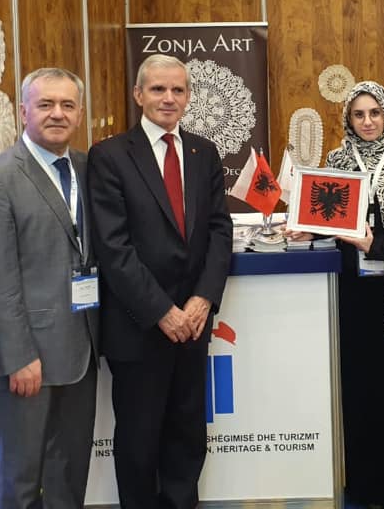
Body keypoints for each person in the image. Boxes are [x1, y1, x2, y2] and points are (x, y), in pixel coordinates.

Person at [88, 54, 232, 509]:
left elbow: (219, 230)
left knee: (187, 434)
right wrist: (162, 311)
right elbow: (114, 247)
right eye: (157, 89)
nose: (168, 98)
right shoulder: (109, 156)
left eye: (177, 90)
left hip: (193, 322)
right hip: (140, 325)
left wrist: (203, 299)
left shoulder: (204, 152)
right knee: (138, 439)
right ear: (138, 95)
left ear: (188, 97)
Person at [291, 81, 384, 509]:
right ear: (348, 119)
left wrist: (377, 245)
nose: (368, 121)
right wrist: (308, 229)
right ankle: (364, 483)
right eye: (359, 114)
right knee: (358, 389)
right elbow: (329, 217)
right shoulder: (337, 161)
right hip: (352, 295)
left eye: (375, 113)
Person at [0, 67, 99, 509]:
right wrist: (17, 356)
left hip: (82, 345)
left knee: (70, 469)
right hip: (27, 356)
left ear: (80, 114)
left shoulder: (88, 167)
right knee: (21, 477)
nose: (57, 114)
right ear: (23, 111)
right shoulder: (0, 176)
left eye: (67, 105)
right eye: (46, 104)